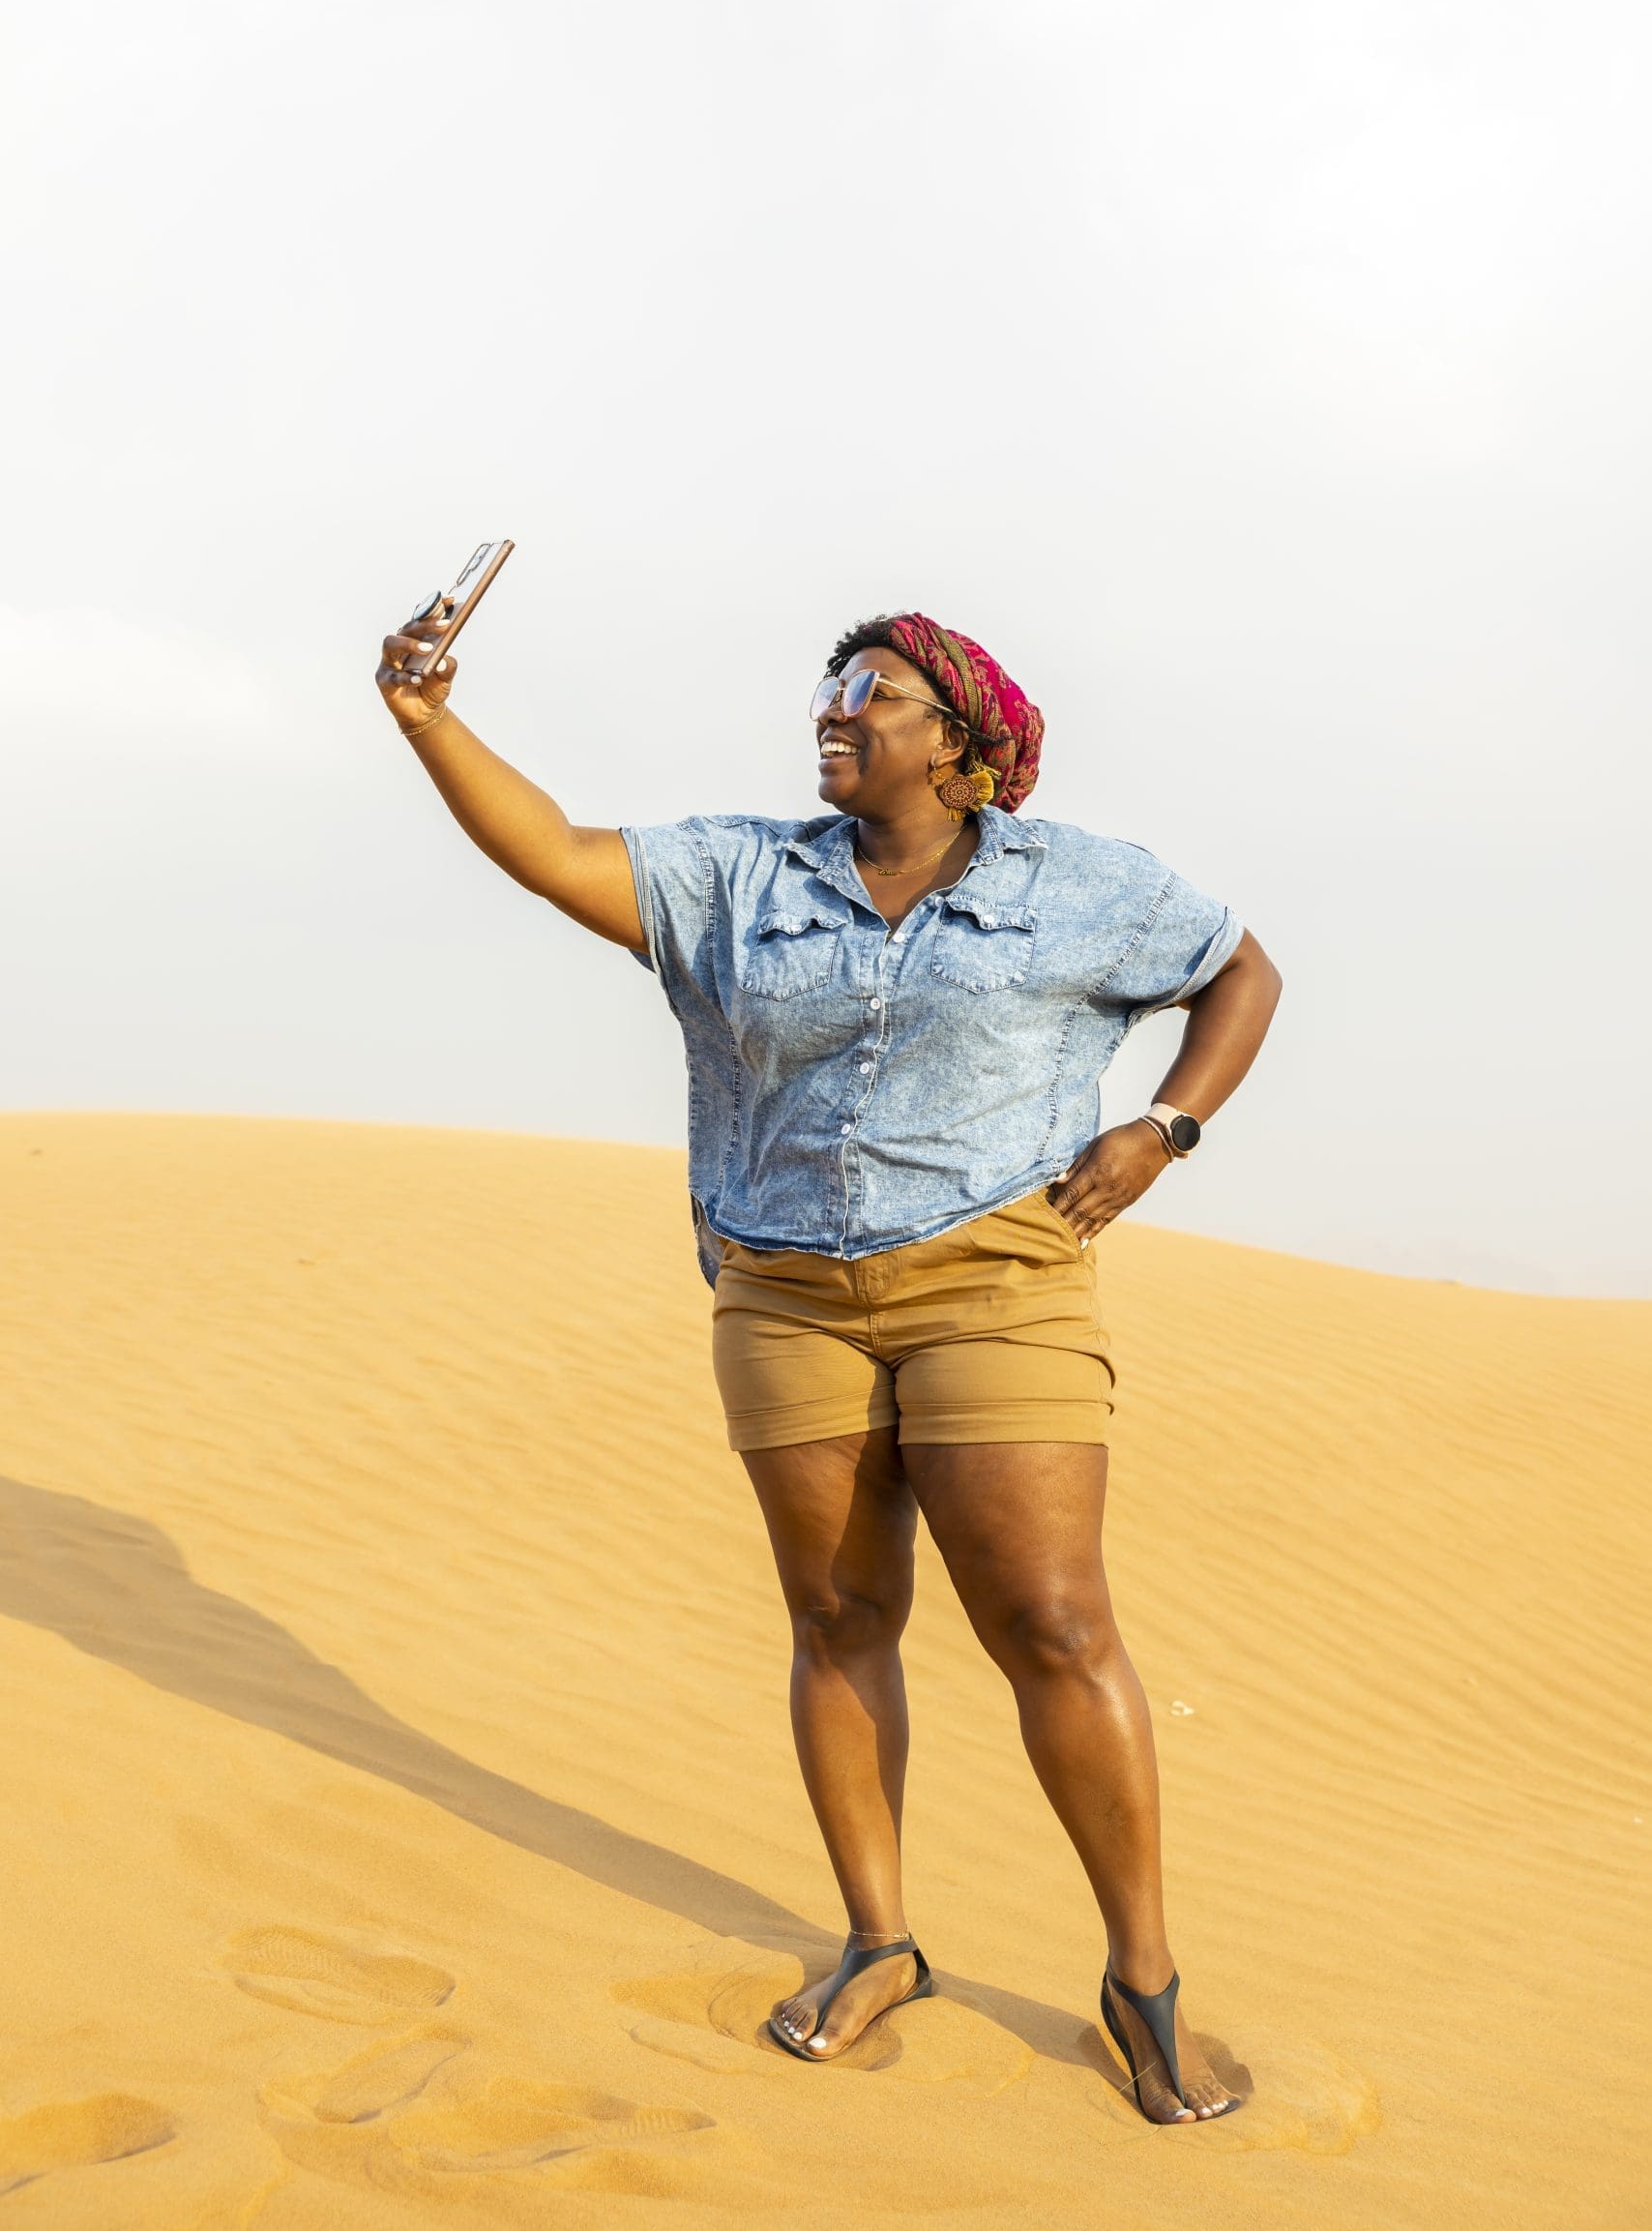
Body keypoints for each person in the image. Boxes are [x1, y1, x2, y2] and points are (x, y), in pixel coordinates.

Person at [375, 602, 1282, 2125]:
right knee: (839, 1613)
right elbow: (550, 848)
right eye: (830, 688)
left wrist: (1166, 1127)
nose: (835, 709)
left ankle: (1145, 1984)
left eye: (875, 693)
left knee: (1054, 1624)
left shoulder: (1086, 888)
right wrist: (425, 718)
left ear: (965, 746)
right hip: (785, 1293)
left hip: (1001, 1277)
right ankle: (880, 1942)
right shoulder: (742, 873)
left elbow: (1240, 973)